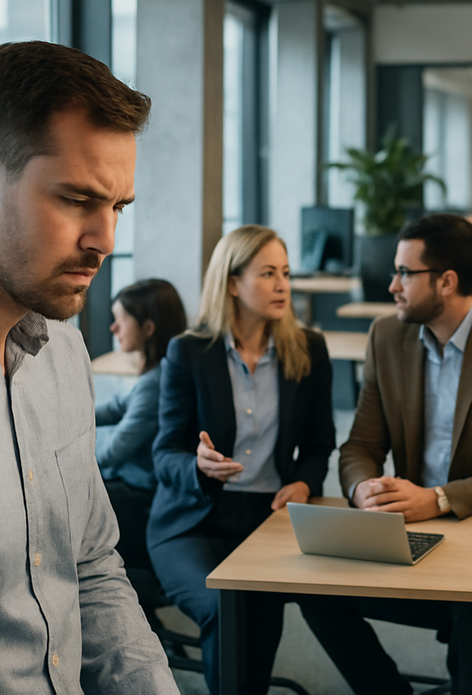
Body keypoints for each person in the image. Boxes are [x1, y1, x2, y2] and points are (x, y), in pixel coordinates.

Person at [302, 213, 472, 695]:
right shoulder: (386, 337)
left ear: (447, 282)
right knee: (315, 590)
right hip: (407, 533)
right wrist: (363, 489)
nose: (392, 285)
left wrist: (439, 498)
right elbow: (361, 445)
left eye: (404, 273)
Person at [0, 40, 178, 693]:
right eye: (77, 199)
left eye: (118, 207)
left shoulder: (66, 352)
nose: (105, 240)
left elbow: (91, 564)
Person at [146, 224, 336, 695]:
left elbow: (320, 442)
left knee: (262, 621)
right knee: (223, 606)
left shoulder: (308, 349)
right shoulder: (189, 352)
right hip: (192, 520)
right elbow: (165, 454)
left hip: (268, 518)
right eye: (268, 274)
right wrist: (197, 465)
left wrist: (305, 484)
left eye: (286, 273)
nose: (282, 285)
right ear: (233, 283)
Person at [95, 278, 187, 568]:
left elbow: (112, 453)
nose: (113, 328)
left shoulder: (154, 384)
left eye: (120, 320)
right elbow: (116, 408)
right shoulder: (160, 373)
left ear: (148, 328)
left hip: (140, 494)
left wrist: (64, 453)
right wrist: (64, 416)